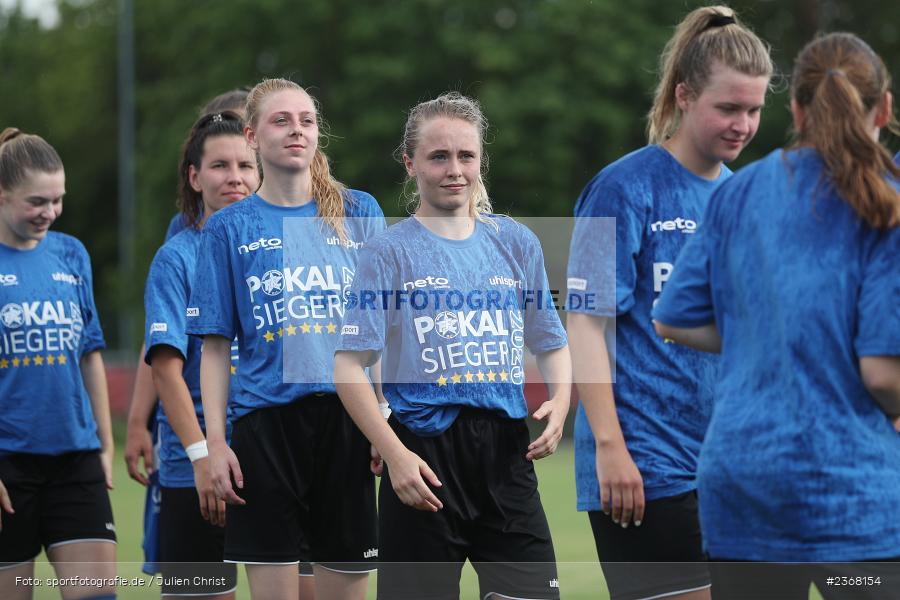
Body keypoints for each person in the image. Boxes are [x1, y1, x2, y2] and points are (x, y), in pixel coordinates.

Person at [653, 31, 900, 599]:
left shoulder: (740, 193)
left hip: (742, 482)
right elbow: (884, 373)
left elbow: (672, 319)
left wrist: (760, 336)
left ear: (794, 108)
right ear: (884, 108)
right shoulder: (887, 198)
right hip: (852, 492)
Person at [565, 6, 772, 600]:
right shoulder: (624, 187)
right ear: (684, 96)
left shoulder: (743, 198)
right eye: (728, 108)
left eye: (754, 109)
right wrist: (609, 447)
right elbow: (585, 323)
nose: (743, 124)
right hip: (644, 464)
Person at [334, 91, 571, 600]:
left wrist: (562, 398)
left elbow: (551, 340)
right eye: (438, 156)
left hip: (507, 457)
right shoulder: (387, 252)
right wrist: (395, 454)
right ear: (410, 163)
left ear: (480, 160)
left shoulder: (517, 242)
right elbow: (349, 368)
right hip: (424, 457)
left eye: (466, 155)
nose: (454, 169)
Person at [186, 78, 383, 600]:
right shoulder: (229, 227)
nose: (297, 129)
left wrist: (385, 417)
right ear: (252, 135)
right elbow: (214, 346)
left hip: (349, 422)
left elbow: (379, 331)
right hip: (265, 429)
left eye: (307, 120)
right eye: (281, 120)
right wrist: (217, 442)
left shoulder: (359, 211)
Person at [124, 87, 251, 580]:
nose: (235, 175)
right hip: (192, 455)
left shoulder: (293, 237)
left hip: (273, 456)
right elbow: (163, 351)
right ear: (196, 174)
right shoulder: (181, 246)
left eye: (245, 161)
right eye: (220, 163)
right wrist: (141, 420)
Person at [0, 128, 117, 600]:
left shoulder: (71, 254)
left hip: (76, 460)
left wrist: (104, 445)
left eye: (57, 200)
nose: (50, 212)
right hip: (9, 465)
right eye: (37, 202)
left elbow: (90, 355)